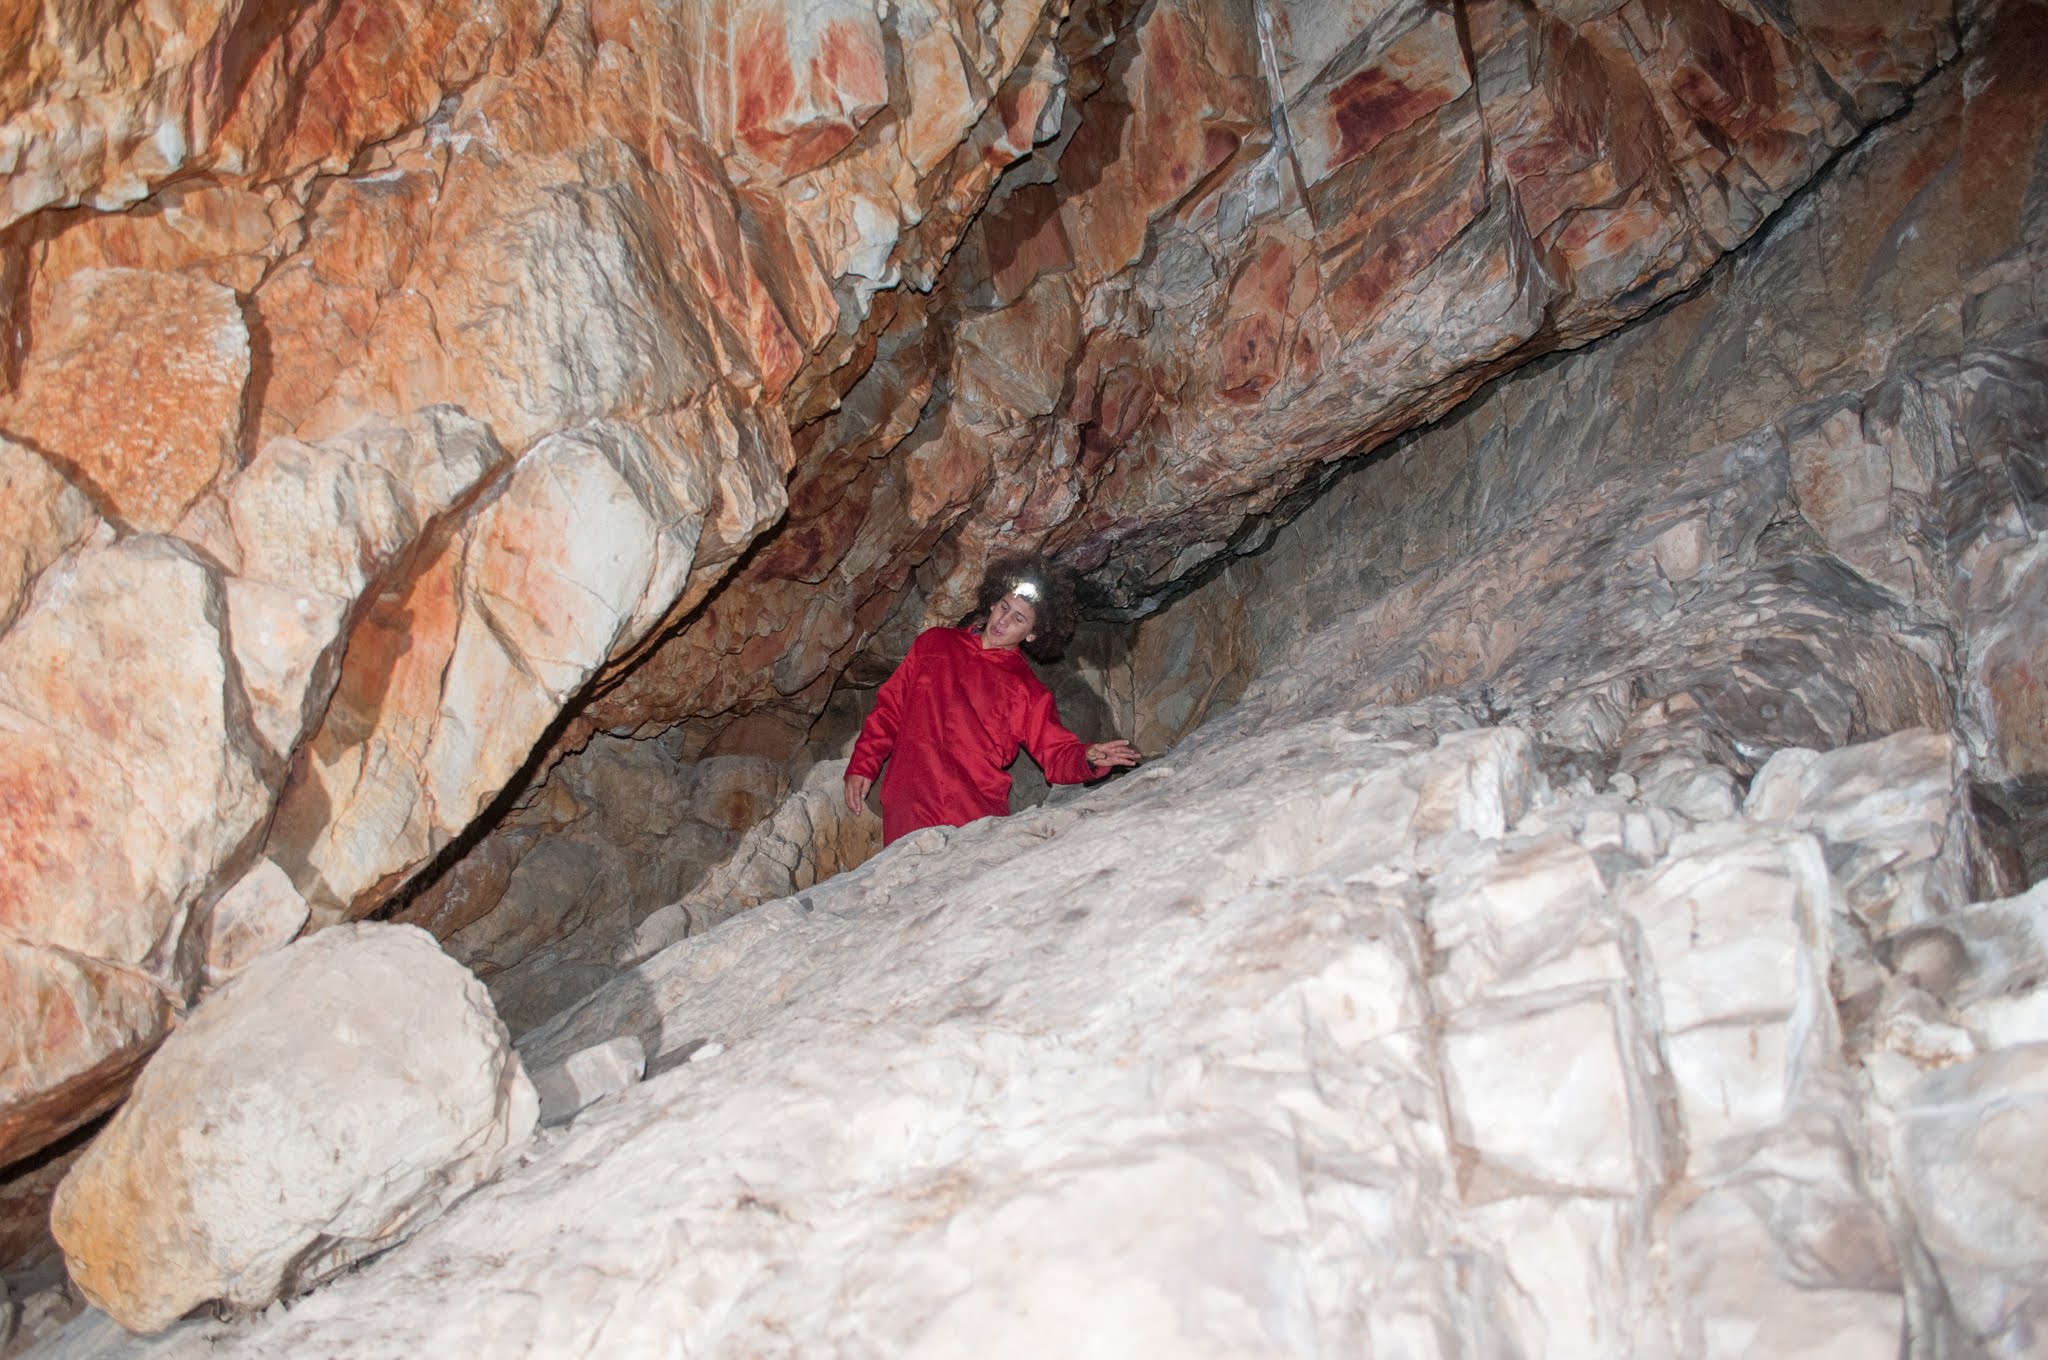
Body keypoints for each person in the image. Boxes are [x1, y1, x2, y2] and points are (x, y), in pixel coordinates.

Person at [844, 554, 1142, 845]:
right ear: (992, 602)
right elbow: (888, 711)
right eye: (1004, 607)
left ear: (1033, 634)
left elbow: (1056, 751)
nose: (1003, 621)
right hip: (908, 807)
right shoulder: (934, 643)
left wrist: (1087, 758)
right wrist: (862, 765)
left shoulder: (1027, 690)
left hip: (971, 822)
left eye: (1018, 618)